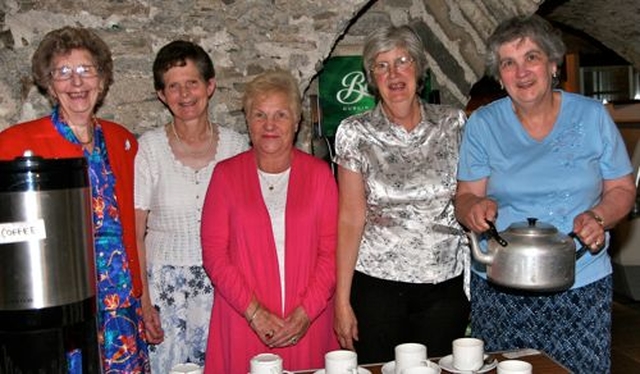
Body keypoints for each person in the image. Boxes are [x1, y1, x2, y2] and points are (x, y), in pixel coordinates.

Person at [455, 15, 636, 373]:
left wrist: (598, 217)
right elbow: (464, 198)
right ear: (500, 76)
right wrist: (475, 206)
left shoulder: (592, 118)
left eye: (531, 57)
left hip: (580, 281)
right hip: (502, 285)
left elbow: (621, 189)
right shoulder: (483, 124)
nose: (521, 71)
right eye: (509, 62)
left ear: (553, 64)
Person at [0, 26, 150, 372]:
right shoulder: (15, 143)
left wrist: (140, 295)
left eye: (86, 70)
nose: (76, 82)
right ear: (49, 84)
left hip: (120, 301)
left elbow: (135, 223)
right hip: (60, 304)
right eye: (63, 72)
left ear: (102, 79)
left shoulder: (122, 141)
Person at [333, 24, 470, 363]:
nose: (393, 73)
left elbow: (471, 199)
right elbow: (351, 218)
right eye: (381, 65)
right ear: (371, 77)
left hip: (444, 286)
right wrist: (341, 301)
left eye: (403, 61)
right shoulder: (354, 132)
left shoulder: (454, 124)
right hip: (377, 289)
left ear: (419, 69)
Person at [201, 69, 339, 372]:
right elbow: (214, 255)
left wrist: (304, 314)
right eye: (259, 115)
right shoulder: (225, 176)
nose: (270, 125)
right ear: (248, 121)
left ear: (297, 121)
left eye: (280, 115)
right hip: (243, 320)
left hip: (306, 322)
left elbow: (331, 253)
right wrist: (255, 313)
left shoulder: (320, 176)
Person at [134, 40, 249, 372]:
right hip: (163, 290)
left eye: (192, 83)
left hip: (222, 286)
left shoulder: (236, 146)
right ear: (161, 94)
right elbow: (135, 231)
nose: (184, 94)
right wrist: (143, 301)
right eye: (173, 86)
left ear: (210, 86)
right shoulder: (150, 148)